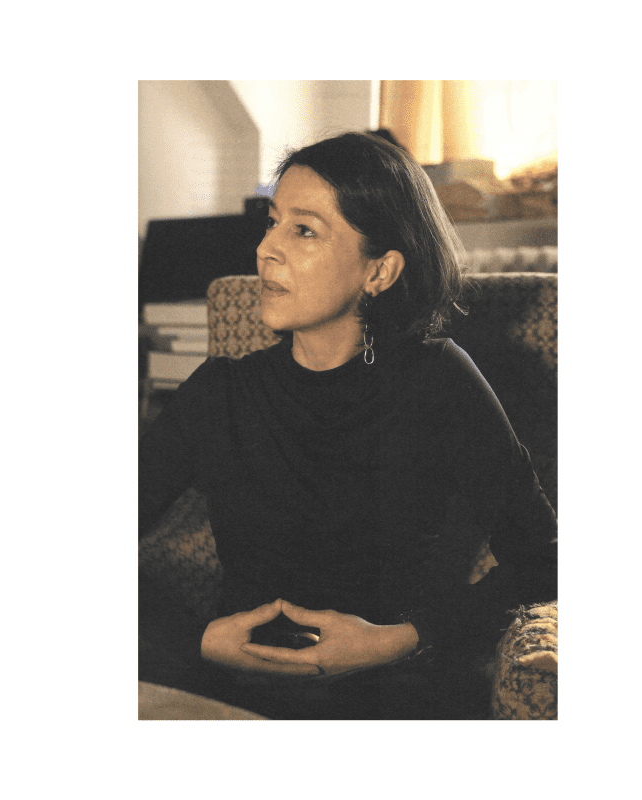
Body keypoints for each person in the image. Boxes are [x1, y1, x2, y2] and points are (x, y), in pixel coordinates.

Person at [138, 132, 557, 719]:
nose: (266, 249)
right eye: (272, 222)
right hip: (230, 695)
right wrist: (198, 640)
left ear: (379, 271)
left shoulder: (439, 382)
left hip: (392, 699)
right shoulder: (220, 392)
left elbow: (546, 559)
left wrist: (399, 639)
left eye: (304, 230)